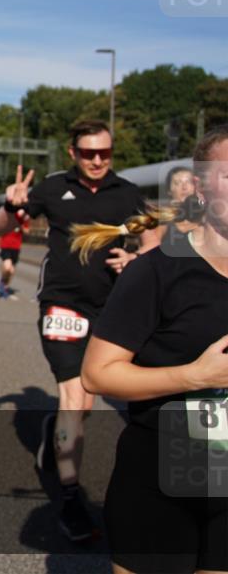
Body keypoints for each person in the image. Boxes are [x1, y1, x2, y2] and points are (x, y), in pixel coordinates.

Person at [0, 119, 161, 542]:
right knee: (76, 396)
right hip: (62, 304)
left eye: (104, 152)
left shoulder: (128, 194)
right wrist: (11, 207)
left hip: (113, 309)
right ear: (73, 153)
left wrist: (137, 260)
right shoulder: (51, 188)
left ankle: (53, 430)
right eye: (88, 153)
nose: (98, 160)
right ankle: (70, 501)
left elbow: (156, 242)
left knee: (84, 406)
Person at [77, 127, 228, 573]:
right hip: (163, 470)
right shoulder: (157, 273)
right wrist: (195, 376)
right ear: (201, 186)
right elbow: (97, 376)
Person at [0, 211, 30, 299]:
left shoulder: (24, 218)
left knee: (11, 271)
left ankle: (4, 286)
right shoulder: (8, 216)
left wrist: (21, 227)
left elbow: (27, 231)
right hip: (5, 245)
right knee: (7, 267)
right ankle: (2, 283)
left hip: (16, 247)